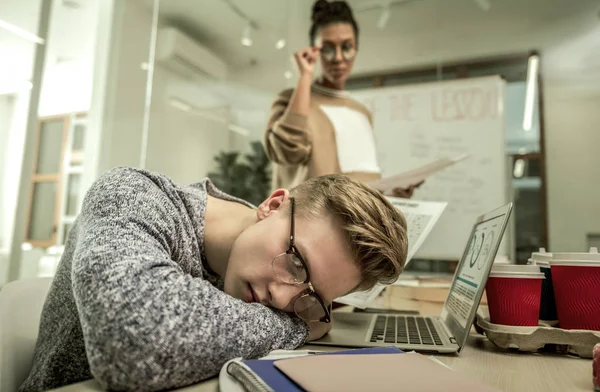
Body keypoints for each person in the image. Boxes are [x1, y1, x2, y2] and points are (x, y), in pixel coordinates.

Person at [20, 167, 408, 392]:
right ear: (272, 205)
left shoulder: (261, 270)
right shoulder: (132, 194)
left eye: (309, 296)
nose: (281, 296)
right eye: (296, 263)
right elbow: (133, 338)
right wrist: (295, 327)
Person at [264, 0, 421, 197]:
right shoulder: (291, 99)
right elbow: (286, 152)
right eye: (328, 48)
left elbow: (363, 185)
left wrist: (391, 194)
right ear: (314, 52)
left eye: (346, 47)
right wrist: (304, 77)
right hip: (310, 223)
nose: (338, 58)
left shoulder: (361, 112)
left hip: (358, 225)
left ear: (356, 49)